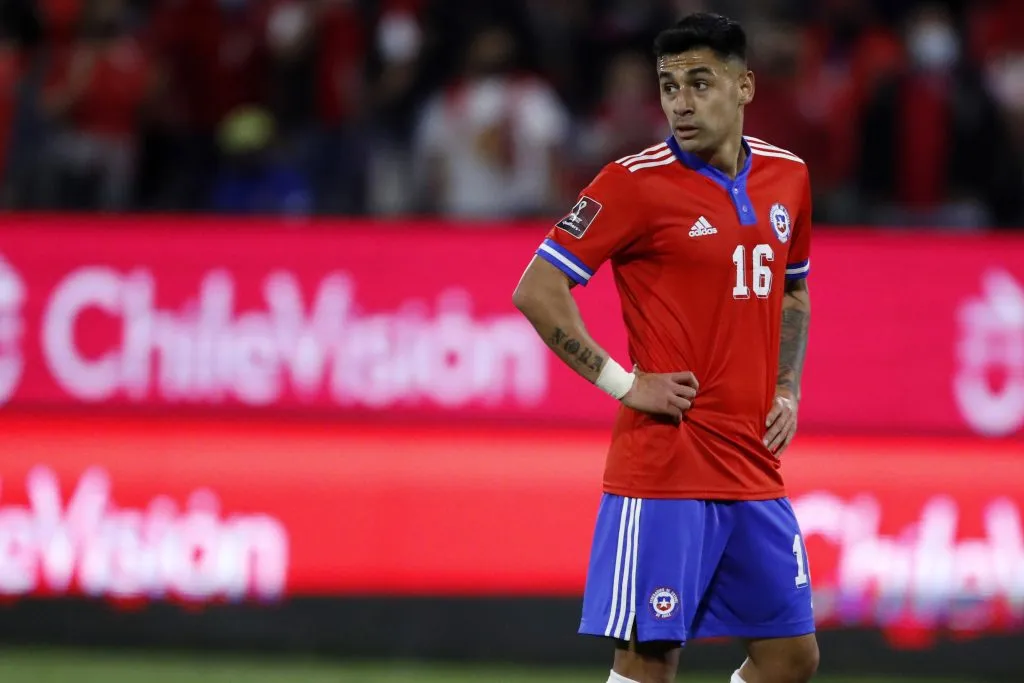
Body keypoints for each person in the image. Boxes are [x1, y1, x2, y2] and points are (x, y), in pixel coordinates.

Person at [512, 13, 817, 683]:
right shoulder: (633, 182)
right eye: (669, 84)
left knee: (791, 658)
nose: (680, 101)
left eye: (700, 82)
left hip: (751, 463)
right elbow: (537, 289)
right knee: (650, 663)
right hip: (666, 466)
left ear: (745, 87)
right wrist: (625, 383)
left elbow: (793, 293)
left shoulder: (789, 178)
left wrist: (786, 388)